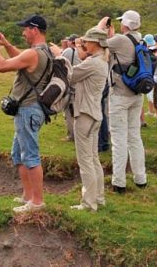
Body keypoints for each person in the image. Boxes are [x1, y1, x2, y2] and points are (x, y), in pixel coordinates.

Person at [0, 15, 50, 212]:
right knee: (18, 153)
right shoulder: (43, 52)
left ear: (34, 29)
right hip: (32, 109)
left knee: (30, 155)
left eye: (25, 29)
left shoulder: (33, 54)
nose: (23, 33)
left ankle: (37, 202)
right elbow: (20, 58)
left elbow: (2, 66)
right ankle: (28, 195)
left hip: (28, 109)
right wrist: (6, 44)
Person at [51, 27, 109, 211]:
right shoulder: (100, 61)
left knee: (85, 161)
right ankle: (98, 198)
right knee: (93, 158)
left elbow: (70, 75)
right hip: (94, 114)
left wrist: (60, 55)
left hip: (84, 113)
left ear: (96, 43)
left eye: (87, 42)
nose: (84, 44)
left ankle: (88, 203)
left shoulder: (93, 63)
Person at [98, 10, 147, 193]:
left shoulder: (119, 40)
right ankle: (140, 178)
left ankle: (119, 182)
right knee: (135, 136)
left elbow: (96, 42)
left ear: (124, 24)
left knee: (119, 139)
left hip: (119, 95)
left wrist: (102, 24)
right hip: (136, 94)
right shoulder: (140, 40)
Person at [60, 34, 81, 142]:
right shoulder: (83, 52)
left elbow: (59, 61)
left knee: (68, 111)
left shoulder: (68, 51)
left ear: (72, 42)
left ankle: (71, 135)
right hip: (81, 86)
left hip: (71, 85)